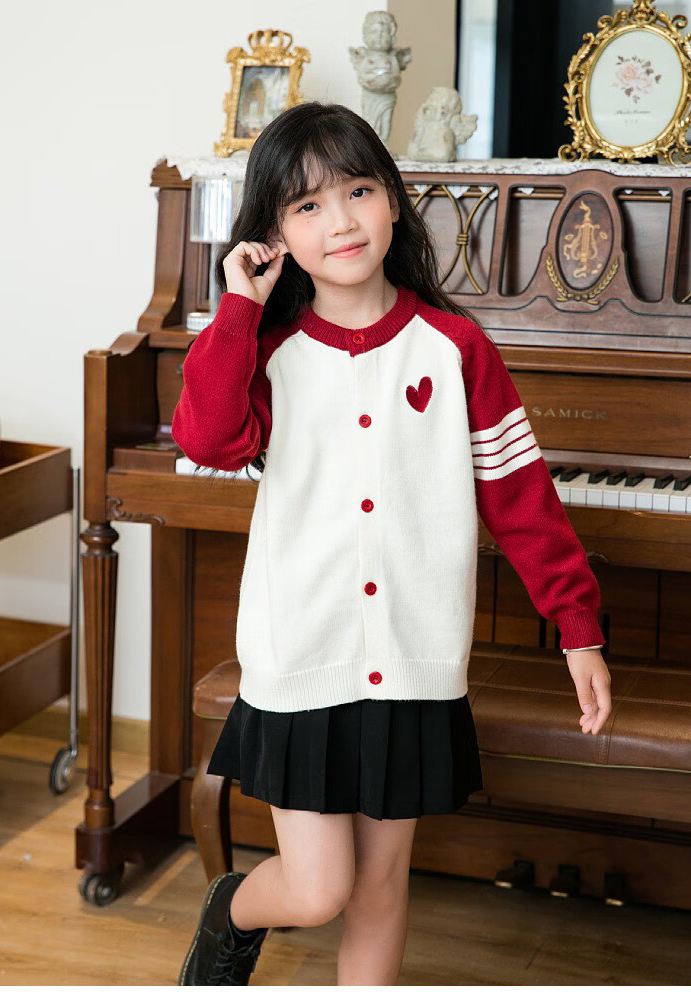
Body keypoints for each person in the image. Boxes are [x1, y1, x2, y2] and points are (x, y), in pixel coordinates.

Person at [173, 101, 612, 986]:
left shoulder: (455, 349)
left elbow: (521, 498)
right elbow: (208, 439)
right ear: (273, 237)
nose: (340, 221)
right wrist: (238, 310)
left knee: (379, 886)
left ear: (394, 200)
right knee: (318, 888)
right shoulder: (268, 351)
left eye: (358, 191)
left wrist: (578, 629)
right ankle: (231, 909)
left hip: (412, 657)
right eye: (307, 206)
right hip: (301, 654)